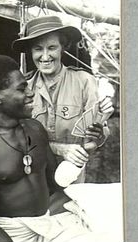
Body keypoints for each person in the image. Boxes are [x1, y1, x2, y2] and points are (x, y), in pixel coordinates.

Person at [0, 55, 104, 242]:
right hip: (7, 234)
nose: (31, 92)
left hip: (48, 224)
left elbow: (55, 185)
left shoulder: (35, 129)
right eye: (22, 88)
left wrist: (88, 148)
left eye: (28, 86)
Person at [12, 16, 114, 181]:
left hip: (71, 176)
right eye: (38, 49)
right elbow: (17, 138)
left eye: (52, 47)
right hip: (33, 178)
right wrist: (60, 149)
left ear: (63, 48)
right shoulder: (24, 89)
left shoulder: (84, 82)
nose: (45, 56)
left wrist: (98, 135)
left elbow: (98, 133)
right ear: (31, 51)